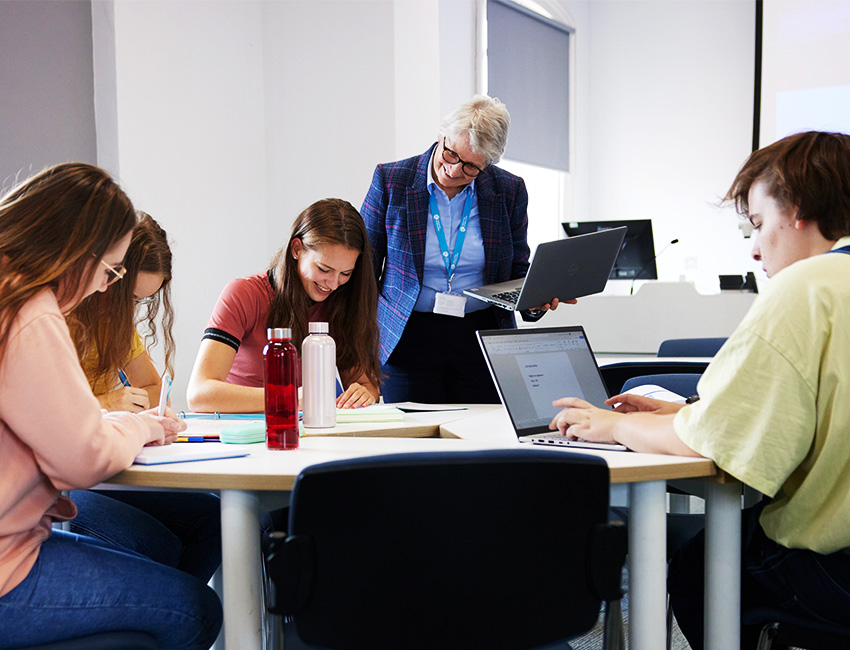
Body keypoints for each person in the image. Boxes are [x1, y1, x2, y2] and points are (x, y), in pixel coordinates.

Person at [547, 131, 850, 649]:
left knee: (700, 568)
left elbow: (713, 442)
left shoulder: (807, 286)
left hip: (832, 568)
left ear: (798, 209)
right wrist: (679, 414)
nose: (755, 248)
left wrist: (614, 424)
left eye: (759, 224)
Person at [0, 163, 221, 649]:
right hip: (8, 566)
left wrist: (115, 420)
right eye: (109, 272)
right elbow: (85, 457)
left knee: (198, 527)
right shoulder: (30, 311)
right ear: (80, 251)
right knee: (195, 609)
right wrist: (141, 427)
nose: (105, 286)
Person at [361, 94, 565, 404]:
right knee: (413, 430)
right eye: (450, 154)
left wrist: (537, 298)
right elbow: (365, 267)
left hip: (481, 335)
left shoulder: (508, 190)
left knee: (481, 429)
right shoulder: (392, 181)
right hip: (407, 333)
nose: (454, 170)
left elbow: (517, 270)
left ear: (488, 164)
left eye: (471, 167)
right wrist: (357, 344)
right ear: (441, 136)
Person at [67, 212, 222, 583]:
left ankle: (175, 609)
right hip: (67, 472)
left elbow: (152, 387)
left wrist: (150, 413)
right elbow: (48, 416)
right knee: (158, 545)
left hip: (108, 462)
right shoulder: (57, 318)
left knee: (215, 520)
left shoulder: (115, 324)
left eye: (142, 301)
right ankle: (174, 606)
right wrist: (107, 403)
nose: (130, 309)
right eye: (129, 296)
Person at [187, 197, 381, 412]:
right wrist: (286, 397)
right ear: (296, 249)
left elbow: (364, 385)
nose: (334, 284)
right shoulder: (243, 294)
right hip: (243, 424)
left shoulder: (340, 301)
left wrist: (364, 393)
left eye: (346, 273)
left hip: (306, 425)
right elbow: (199, 394)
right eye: (324, 269)